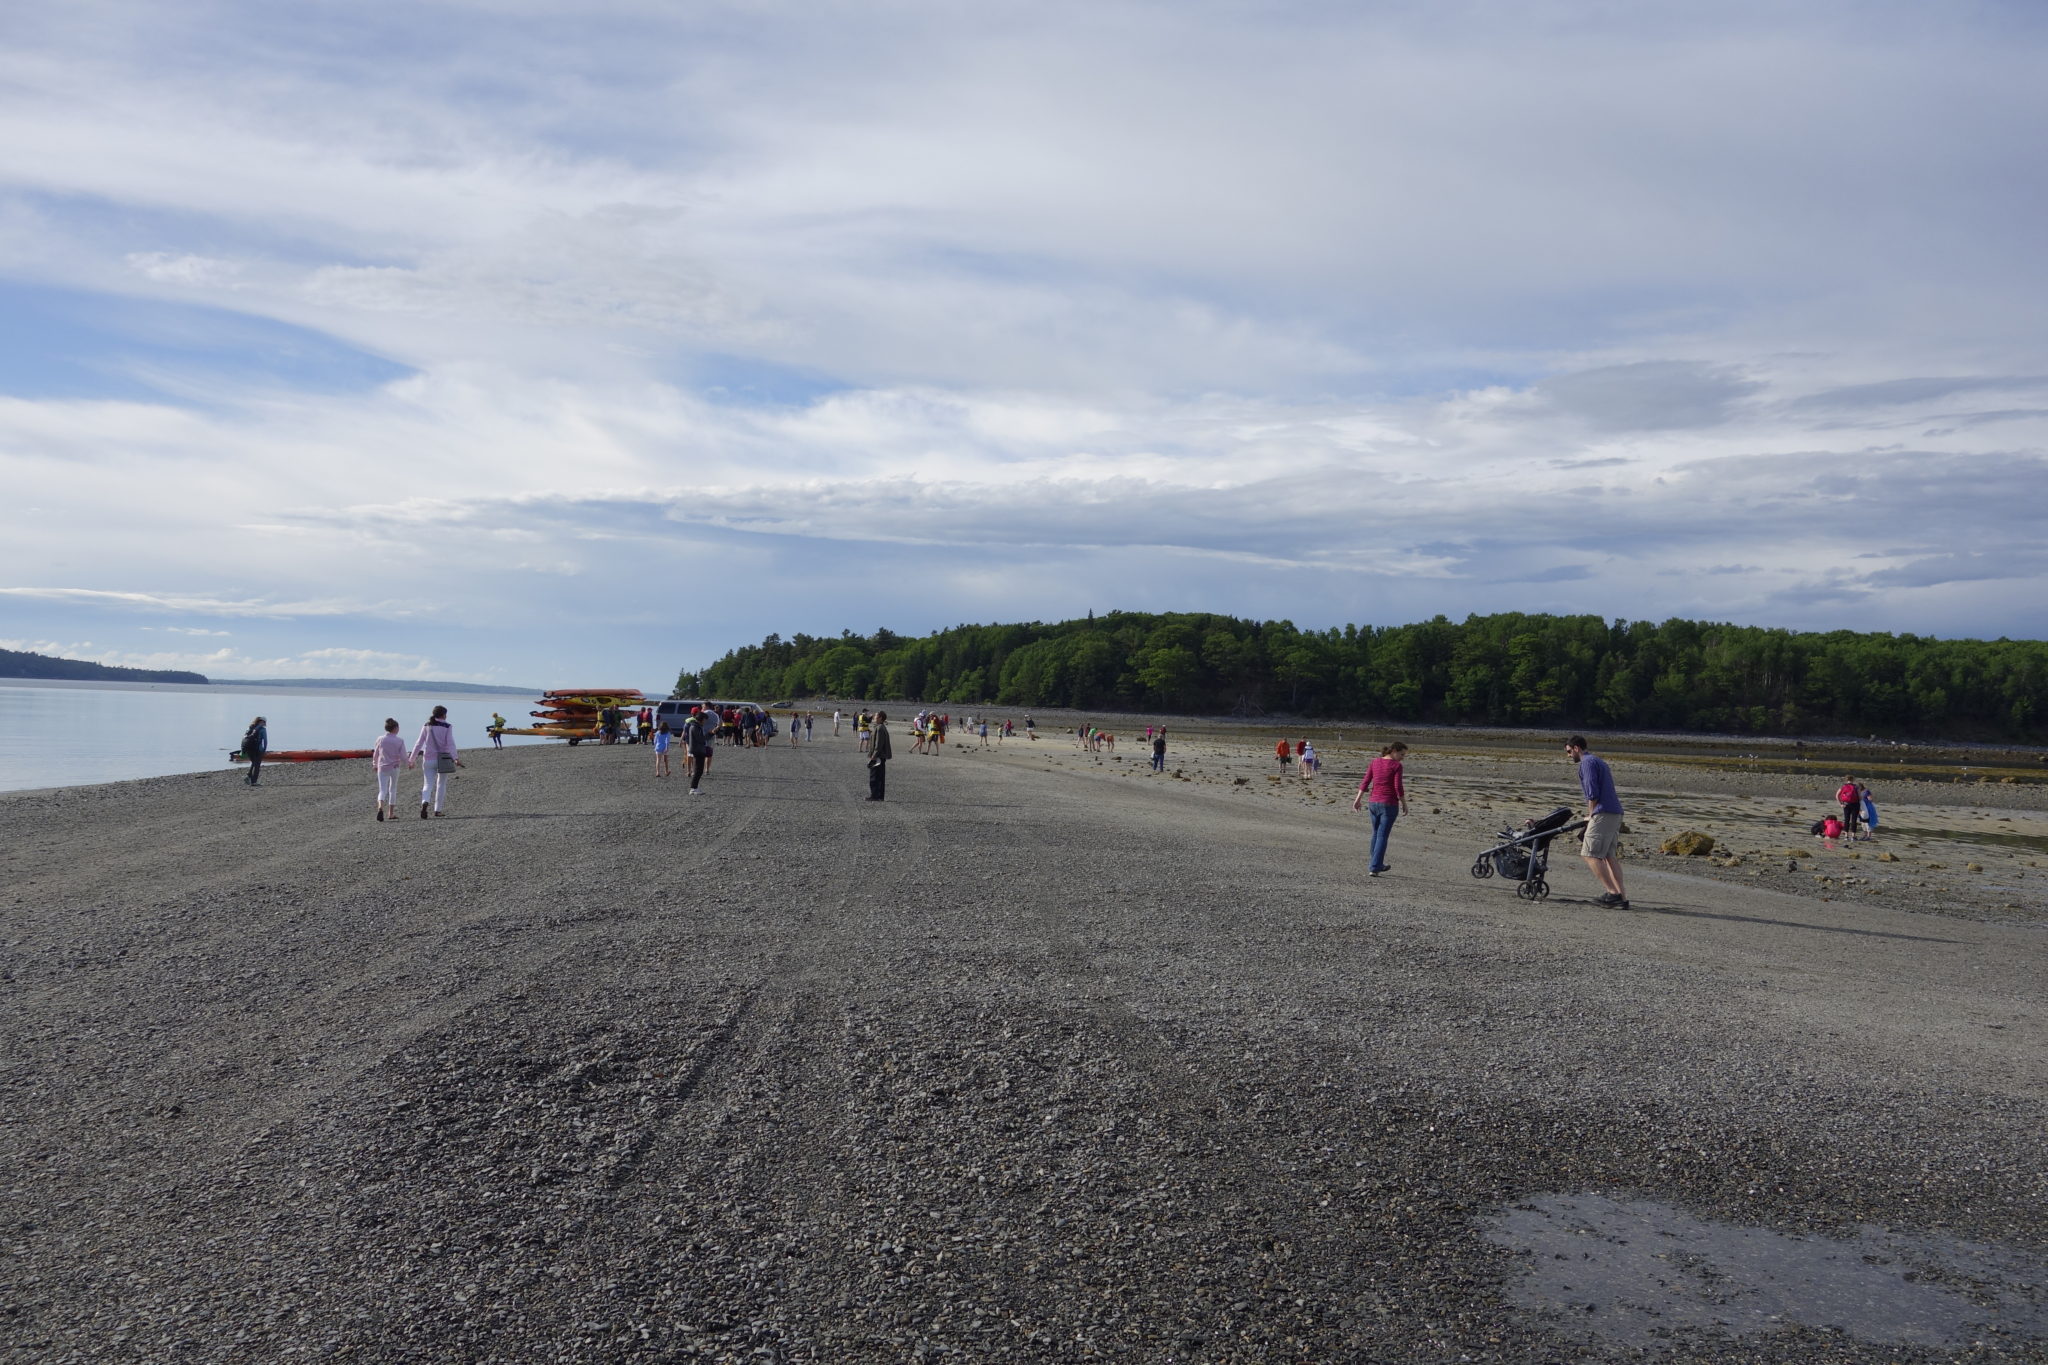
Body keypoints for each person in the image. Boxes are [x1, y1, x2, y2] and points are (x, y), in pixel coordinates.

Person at [1565, 735, 1628, 909]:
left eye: (1569, 752)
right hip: (1614, 812)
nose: (1569, 755)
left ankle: (1612, 893)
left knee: (1589, 854)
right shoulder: (1598, 761)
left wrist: (1590, 815)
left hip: (1603, 812)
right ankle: (1621, 897)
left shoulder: (1587, 763)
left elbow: (1592, 793)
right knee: (1608, 856)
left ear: (1577, 748)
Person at [1351, 742, 1409, 876]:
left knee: (1376, 834)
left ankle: (1376, 863)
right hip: (1389, 804)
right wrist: (1404, 804)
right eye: (1401, 754)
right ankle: (1375, 866)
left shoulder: (1375, 762)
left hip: (1373, 803)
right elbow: (1398, 787)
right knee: (1382, 835)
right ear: (1393, 751)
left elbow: (1365, 781)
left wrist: (1357, 800)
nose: (1402, 758)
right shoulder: (1396, 766)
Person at [410, 704, 463, 819]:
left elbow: (419, 743)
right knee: (441, 784)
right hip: (443, 759)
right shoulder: (447, 727)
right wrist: (455, 758)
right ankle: (438, 810)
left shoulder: (427, 725)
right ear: (443, 715)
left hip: (428, 759)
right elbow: (450, 743)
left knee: (427, 784)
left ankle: (425, 801)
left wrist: (412, 759)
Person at [372, 718, 406, 820]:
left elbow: (376, 754)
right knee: (393, 789)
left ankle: (380, 808)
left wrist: (374, 764)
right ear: (395, 728)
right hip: (395, 767)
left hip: (382, 767)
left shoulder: (380, 739)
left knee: (382, 790)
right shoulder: (399, 740)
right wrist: (409, 763)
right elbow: (403, 756)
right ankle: (390, 813)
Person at [684, 707, 714, 794]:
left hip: (697, 749)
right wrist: (711, 733)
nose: (705, 721)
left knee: (698, 770)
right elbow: (701, 739)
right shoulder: (695, 727)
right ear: (701, 719)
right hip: (698, 750)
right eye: (704, 719)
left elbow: (701, 738)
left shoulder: (695, 726)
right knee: (698, 770)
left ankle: (694, 788)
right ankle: (693, 788)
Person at [866, 709, 892, 800]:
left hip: (878, 756)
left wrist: (874, 755)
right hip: (880, 756)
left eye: (876, 716)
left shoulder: (880, 728)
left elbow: (879, 744)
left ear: (880, 718)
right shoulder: (880, 727)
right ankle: (879, 796)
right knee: (880, 776)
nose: (874, 717)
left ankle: (875, 795)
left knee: (875, 776)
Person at [241, 715, 268, 786]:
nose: (265, 723)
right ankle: (253, 782)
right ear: (262, 722)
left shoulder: (250, 727)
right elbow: (265, 741)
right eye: (265, 722)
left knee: (254, 762)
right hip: (257, 749)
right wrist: (264, 750)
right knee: (257, 765)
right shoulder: (262, 729)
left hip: (248, 748)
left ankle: (249, 775)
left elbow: (245, 737)